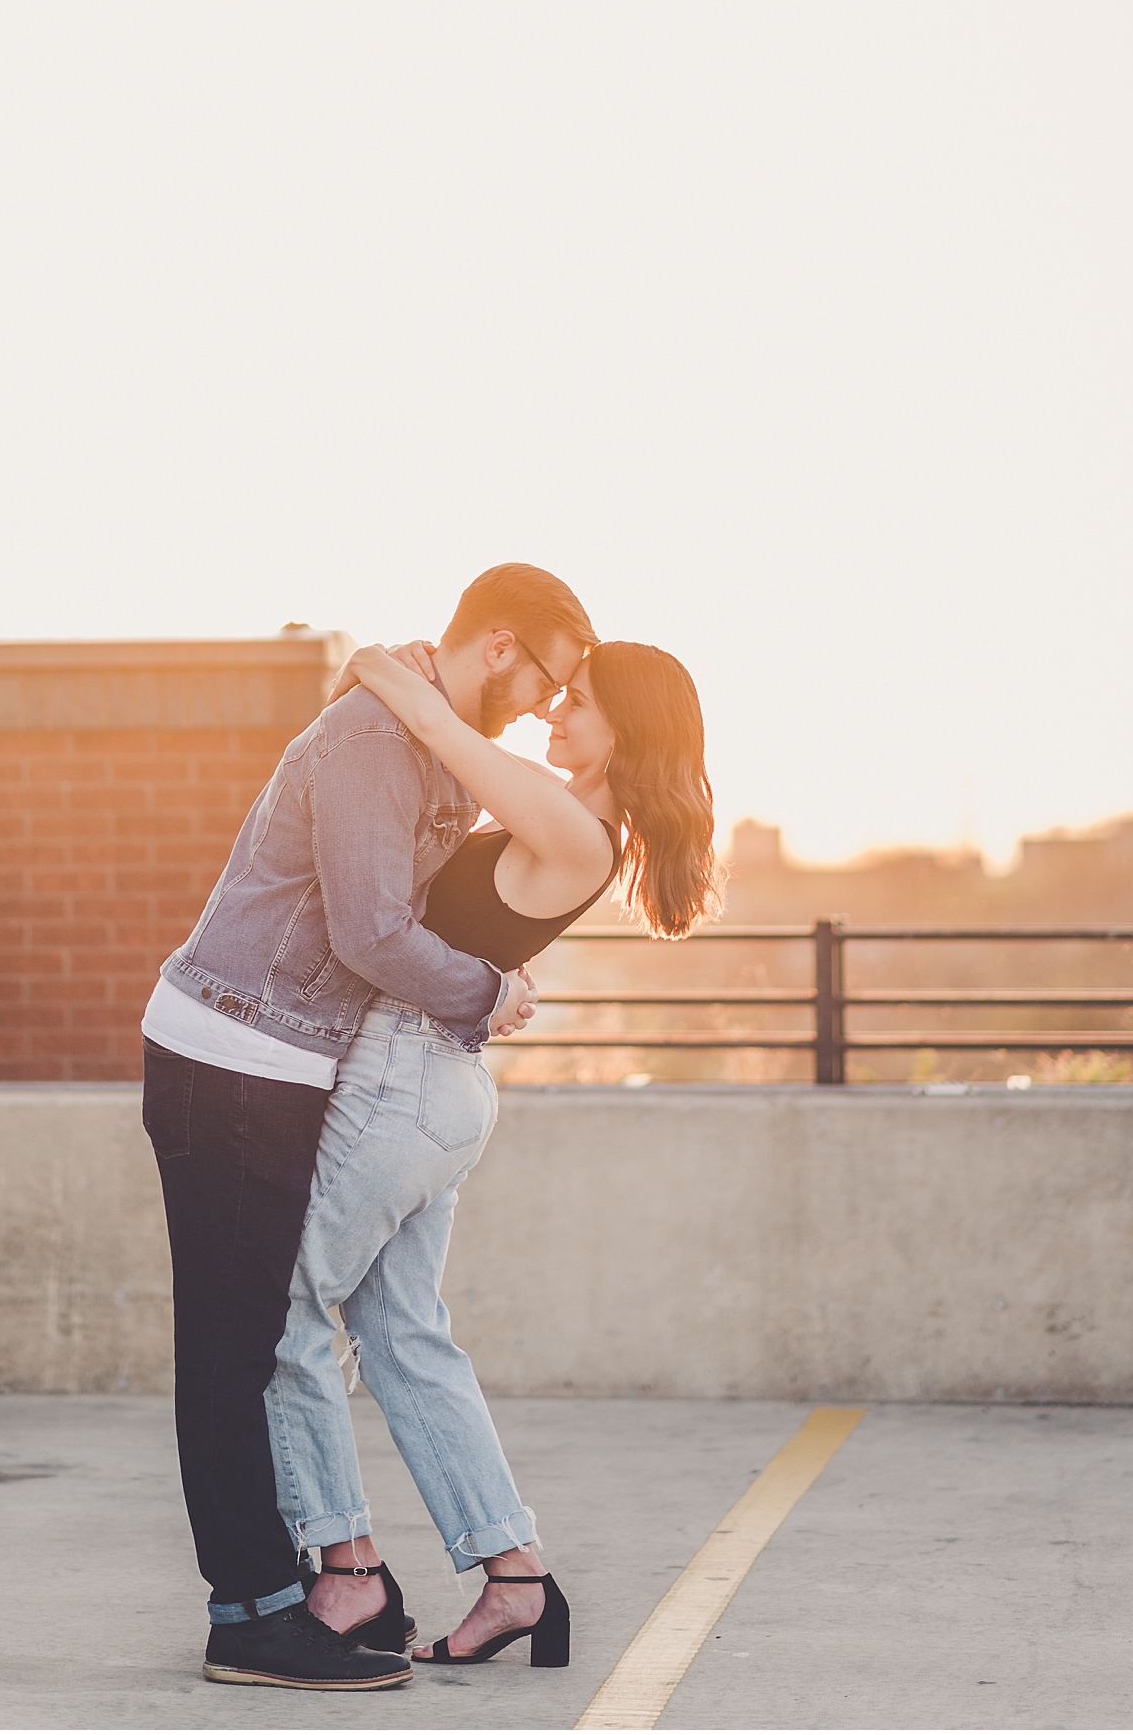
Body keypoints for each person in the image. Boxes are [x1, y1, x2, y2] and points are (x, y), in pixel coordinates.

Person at [139, 563, 597, 1692]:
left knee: (273, 1326)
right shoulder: (372, 745)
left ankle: (329, 1585)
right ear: (499, 648)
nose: (546, 706)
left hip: (294, 1063)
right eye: (544, 678)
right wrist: (490, 993)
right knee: (242, 1340)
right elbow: (371, 933)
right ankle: (253, 1615)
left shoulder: (425, 736)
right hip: (233, 1050)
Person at [265, 635, 720, 1670]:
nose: (555, 717)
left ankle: (348, 1575)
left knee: (279, 1303)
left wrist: (376, 662)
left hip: (405, 1083)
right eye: (557, 701)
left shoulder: (572, 822)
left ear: (626, 732)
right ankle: (515, 1580)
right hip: (425, 1080)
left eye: (579, 706)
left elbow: (435, 730)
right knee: (403, 1336)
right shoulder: (579, 824)